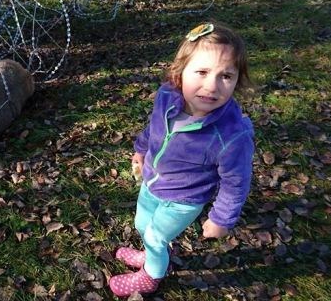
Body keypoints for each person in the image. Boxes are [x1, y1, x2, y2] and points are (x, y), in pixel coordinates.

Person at [109, 22, 255, 297]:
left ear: (238, 80)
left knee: (155, 235)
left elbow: (236, 182)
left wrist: (222, 218)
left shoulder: (232, 135)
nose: (211, 86)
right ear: (180, 72)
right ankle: (154, 253)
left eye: (226, 76)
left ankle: (150, 276)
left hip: (183, 199)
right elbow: (153, 129)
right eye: (201, 72)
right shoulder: (167, 96)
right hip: (152, 181)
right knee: (143, 225)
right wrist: (141, 150)